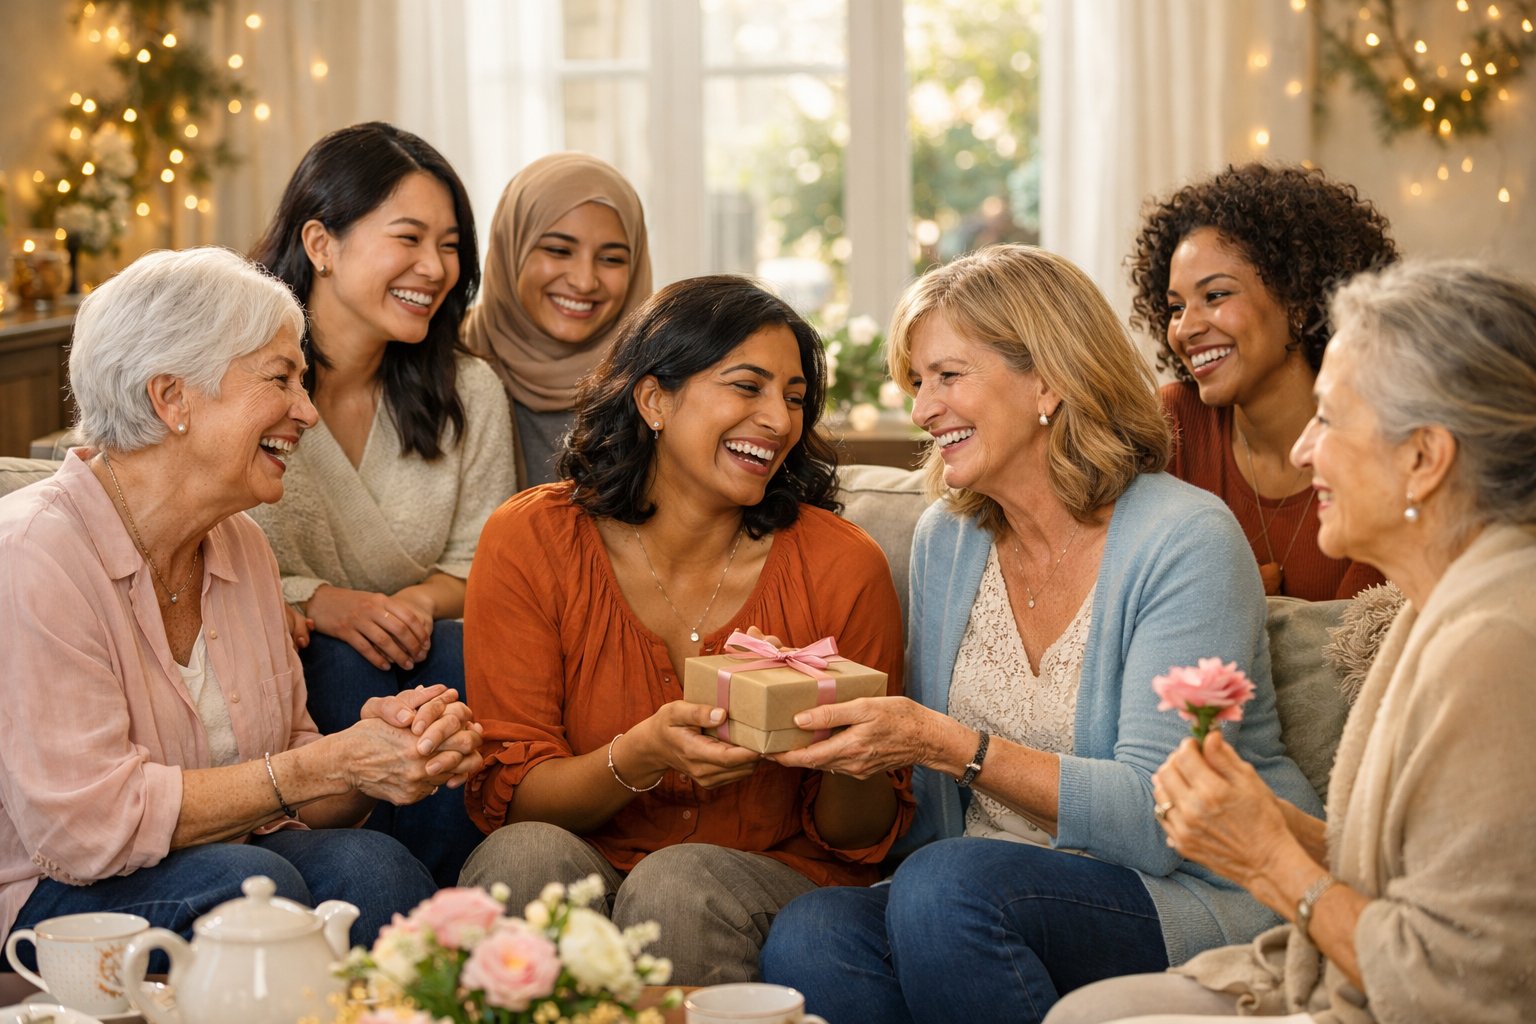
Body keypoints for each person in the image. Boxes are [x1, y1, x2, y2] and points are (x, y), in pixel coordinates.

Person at [759, 245, 1321, 1024]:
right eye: (917, 382)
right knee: (812, 934)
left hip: (1182, 885)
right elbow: (928, 818)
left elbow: (1163, 821)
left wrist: (942, 741)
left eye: (948, 376)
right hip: (982, 892)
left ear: (1049, 380)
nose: (922, 410)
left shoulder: (1183, 538)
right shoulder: (946, 539)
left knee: (944, 890)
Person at [1045, 260, 1536, 1024]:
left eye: (1331, 419)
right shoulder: (1430, 606)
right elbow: (1412, 872)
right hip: (1334, 975)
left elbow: (1458, 987)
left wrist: (1268, 863)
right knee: (1090, 1011)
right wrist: (1275, 826)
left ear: (1424, 458)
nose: (1304, 451)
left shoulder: (1497, 645)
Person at [0, 247, 483, 956]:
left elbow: (297, 785)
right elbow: (86, 830)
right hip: (53, 896)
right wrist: (317, 768)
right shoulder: (32, 554)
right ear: (172, 399)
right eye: (281, 379)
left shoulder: (242, 548)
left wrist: (376, 756)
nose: (308, 411)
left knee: (372, 870)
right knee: (251, 886)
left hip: (236, 864)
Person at [459, 275, 913, 985]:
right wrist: (640, 756)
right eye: (748, 386)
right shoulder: (530, 539)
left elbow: (859, 836)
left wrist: (848, 754)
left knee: (679, 884)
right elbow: (515, 797)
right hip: (583, 853)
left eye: (795, 399)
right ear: (654, 399)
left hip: (769, 872)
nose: (779, 420)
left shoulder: (841, 565)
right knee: (521, 857)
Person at [248, 122, 514, 885]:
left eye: (451, 245)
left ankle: (436, 916)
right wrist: (326, 603)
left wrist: (404, 607)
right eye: (409, 238)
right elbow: (188, 540)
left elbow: (483, 567)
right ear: (321, 243)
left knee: (455, 658)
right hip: (286, 664)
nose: (434, 268)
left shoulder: (469, 391)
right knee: (342, 661)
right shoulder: (238, 379)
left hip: (429, 657)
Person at [1129, 163, 1397, 600]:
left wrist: (1237, 600)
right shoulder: (1174, 424)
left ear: (1298, 300)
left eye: (1215, 296)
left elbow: (1358, 650)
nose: (1184, 329)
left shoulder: (1382, 446)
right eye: (1176, 307)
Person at [462, 152, 653, 487]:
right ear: (512, 247)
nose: (584, 281)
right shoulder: (444, 363)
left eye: (610, 259)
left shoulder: (660, 385)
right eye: (558, 251)